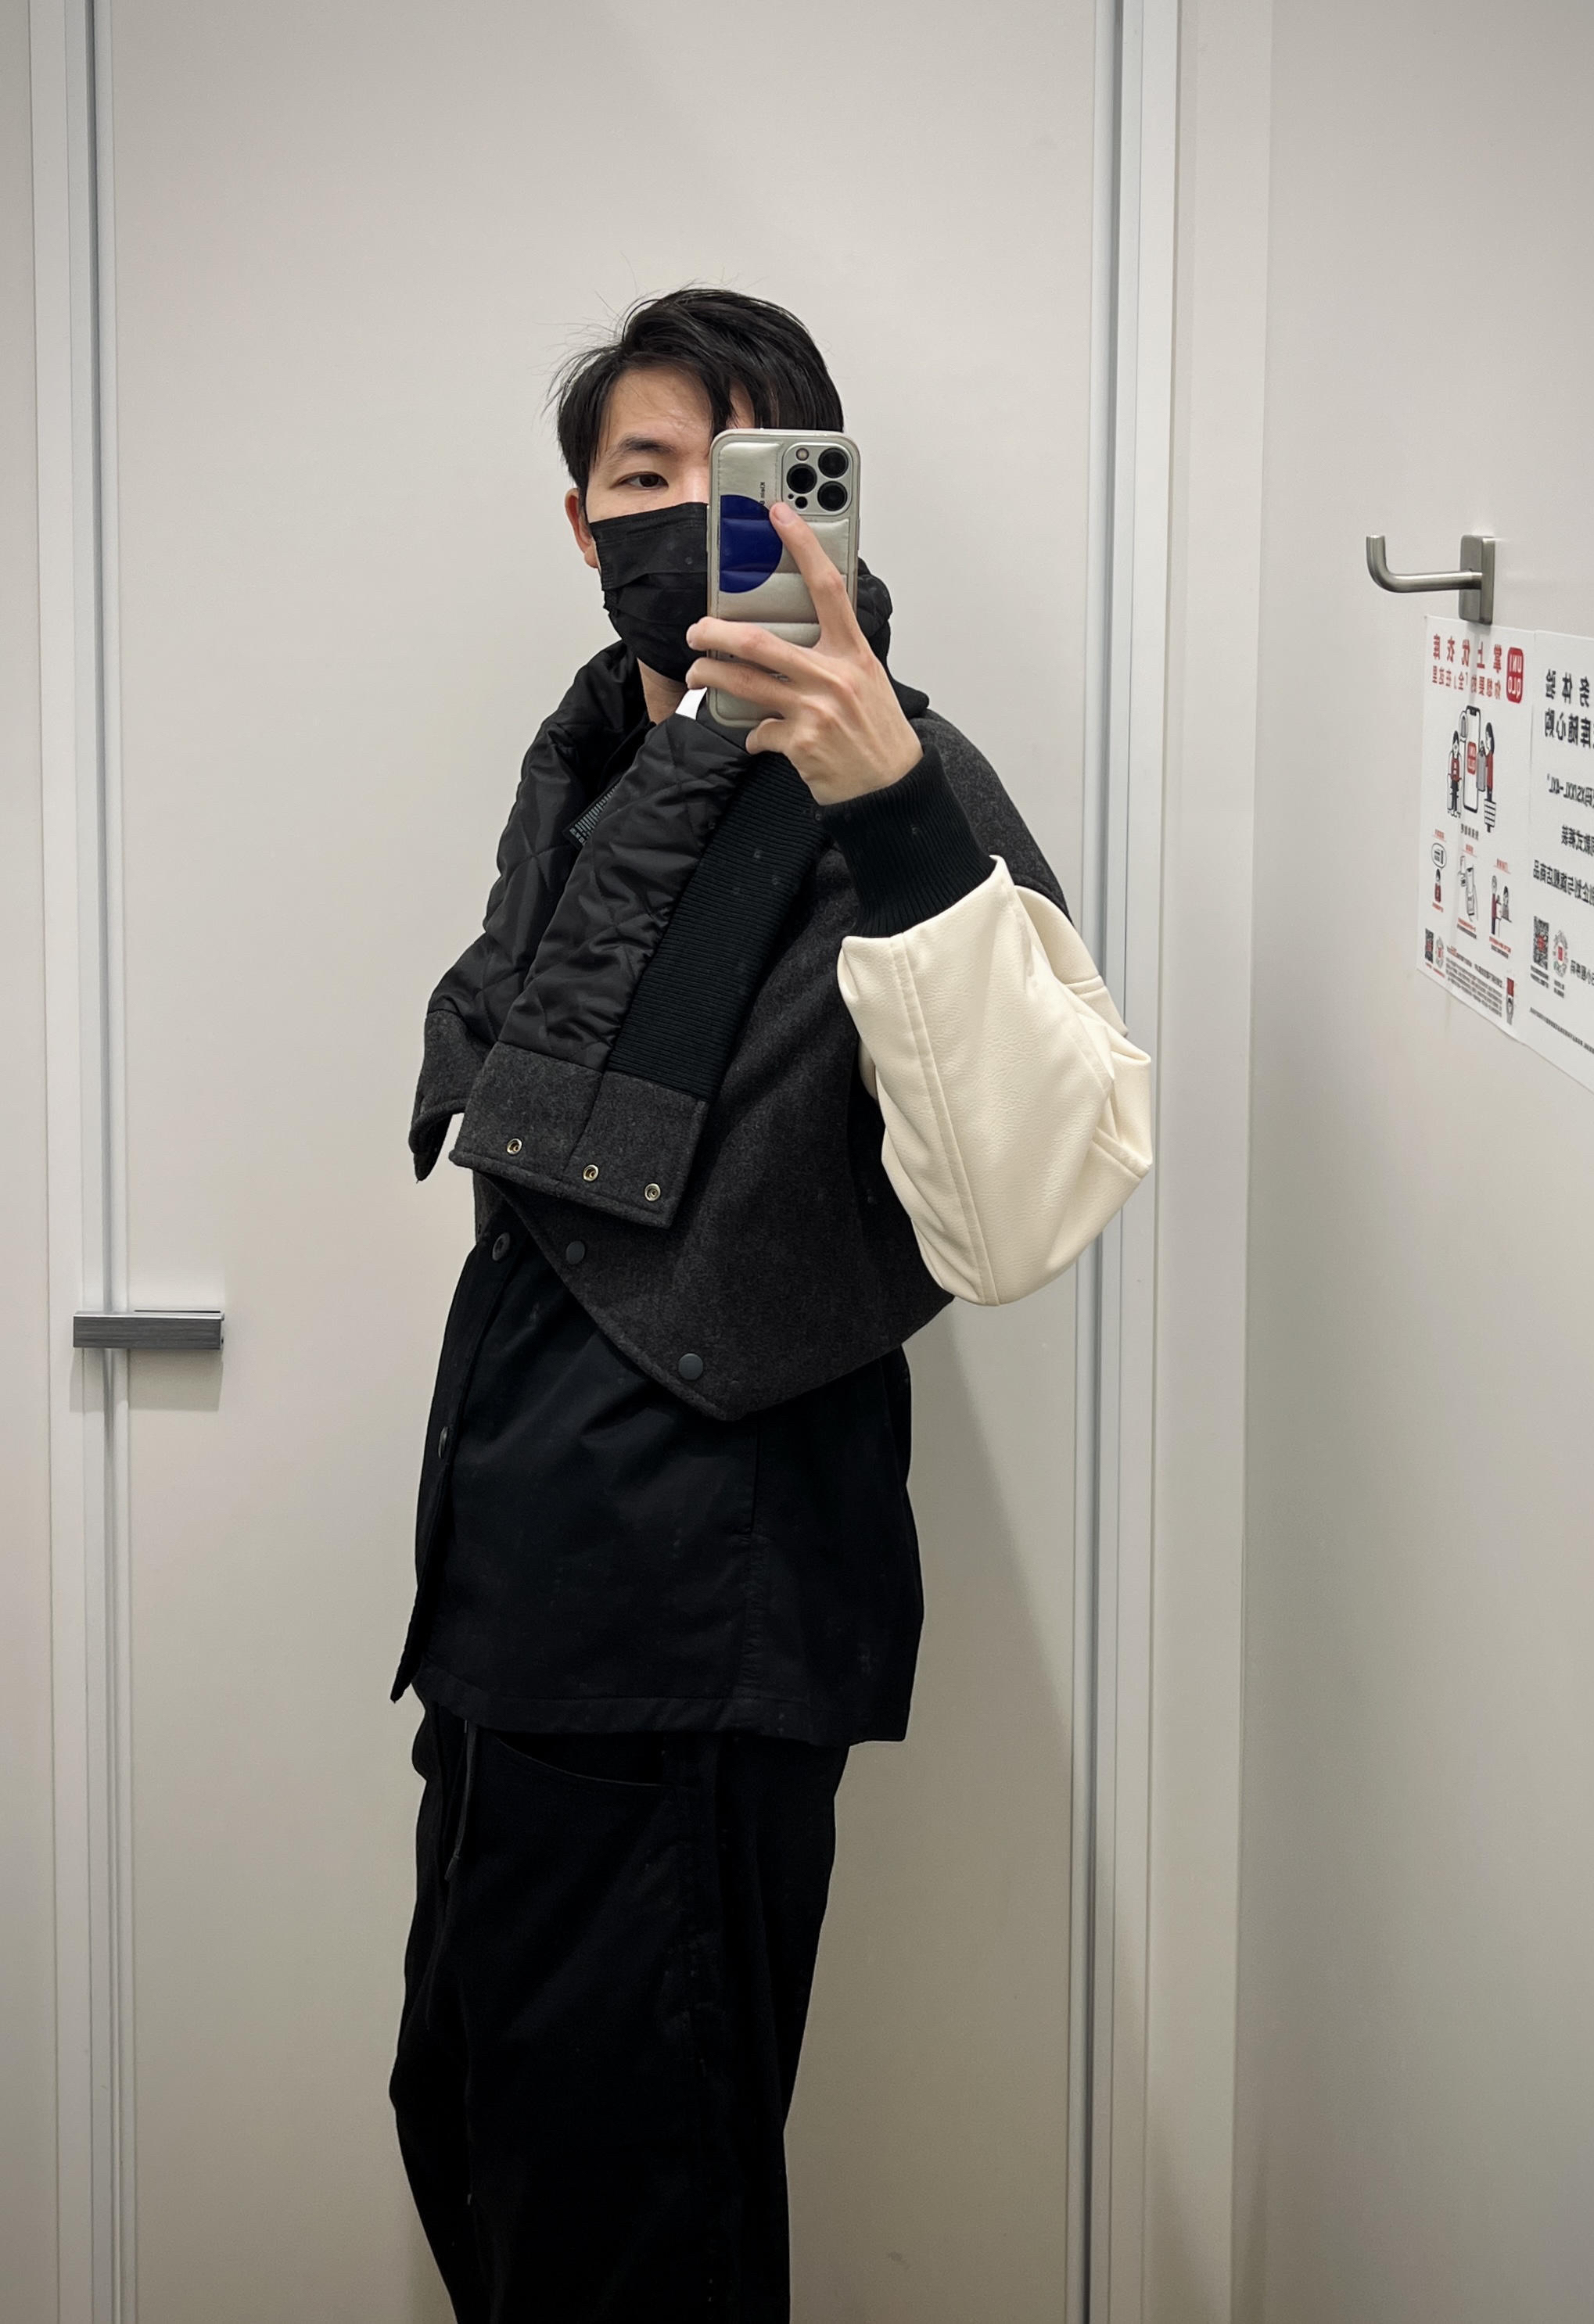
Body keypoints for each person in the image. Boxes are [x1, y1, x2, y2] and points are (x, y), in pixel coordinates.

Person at [388, 288, 1153, 2322]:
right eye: (642, 476)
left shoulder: (895, 772)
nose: (682, 518)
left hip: (692, 1623)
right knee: (476, 2134)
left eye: (732, 475)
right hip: (514, 1613)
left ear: (814, 502)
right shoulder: (590, 759)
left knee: (634, 2231)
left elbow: (1028, 1199)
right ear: (584, 522)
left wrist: (890, 801)